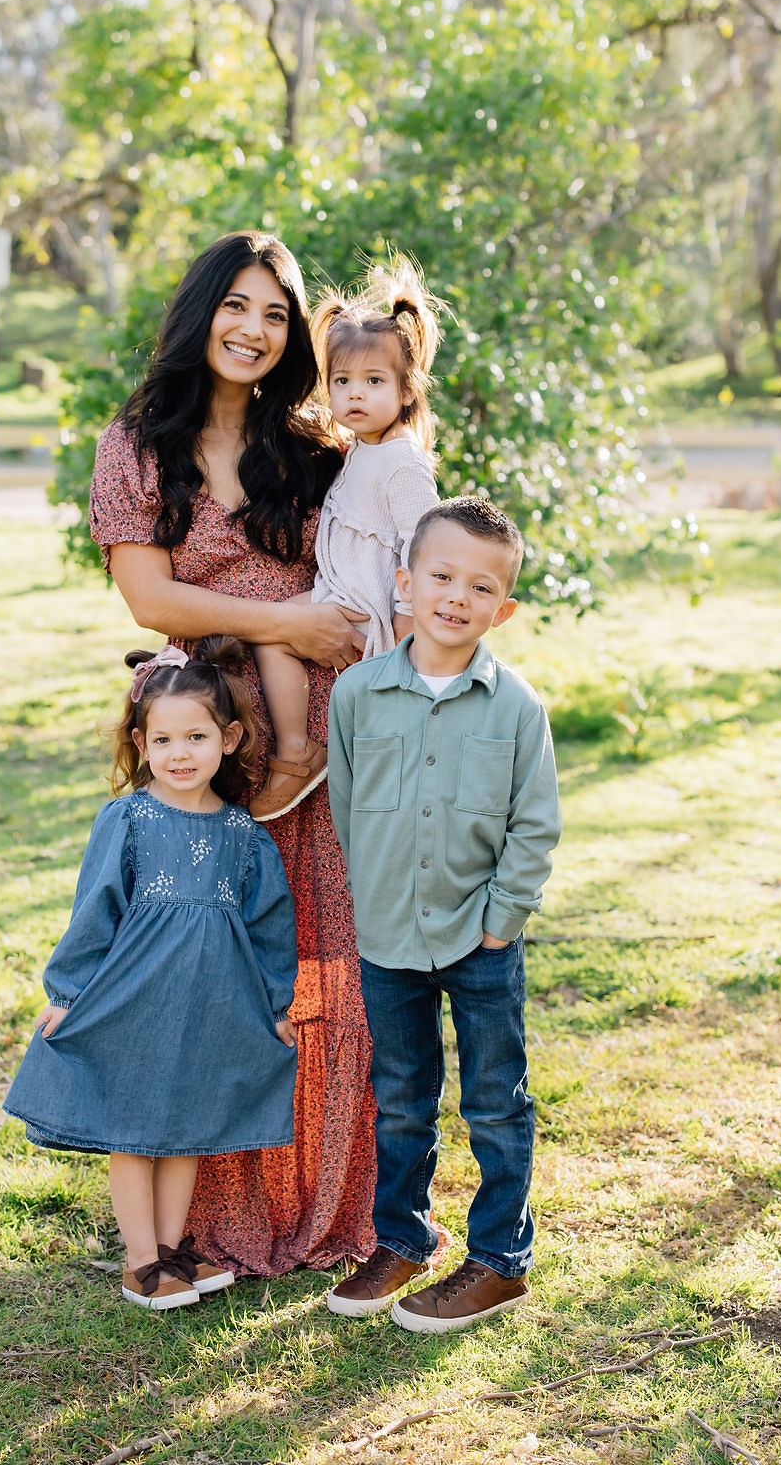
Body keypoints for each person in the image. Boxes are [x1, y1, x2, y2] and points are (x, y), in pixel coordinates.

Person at [88, 230, 377, 1277]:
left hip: (324, 746)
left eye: (274, 314)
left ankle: (325, 1196)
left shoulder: (312, 448)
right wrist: (280, 625)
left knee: (322, 958)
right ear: (201, 308)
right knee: (212, 971)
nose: (253, 330)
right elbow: (148, 596)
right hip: (208, 743)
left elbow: (381, 546)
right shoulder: (138, 442)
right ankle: (205, 1214)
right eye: (237, 306)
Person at [3, 636, 299, 1311]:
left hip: (211, 1002)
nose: (180, 754)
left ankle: (172, 1253)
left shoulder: (243, 834)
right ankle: (141, 1261)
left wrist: (274, 1004)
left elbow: (269, 926)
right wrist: (68, 993)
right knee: (133, 1127)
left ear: (227, 739)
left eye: (195, 737)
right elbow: (95, 908)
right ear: (140, 743)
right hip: (135, 998)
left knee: (189, 1124)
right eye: (162, 741)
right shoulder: (130, 820)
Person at [326, 496, 562, 1333]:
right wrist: (371, 899)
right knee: (402, 1097)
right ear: (406, 581)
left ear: (504, 608)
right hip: (389, 935)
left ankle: (499, 1261)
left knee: (496, 1100)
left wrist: (502, 919)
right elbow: (349, 807)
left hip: (480, 937)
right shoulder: (357, 694)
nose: (457, 596)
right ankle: (401, 1239)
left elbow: (534, 823)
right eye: (441, 576)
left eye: (481, 585)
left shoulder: (515, 707)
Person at [248, 262, 443, 822]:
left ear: (407, 389)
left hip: (368, 606)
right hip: (348, 593)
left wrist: (408, 627)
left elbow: (423, 547)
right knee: (271, 631)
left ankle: (294, 755)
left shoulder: (403, 461)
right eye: (342, 382)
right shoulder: (362, 447)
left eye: (374, 382)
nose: (355, 395)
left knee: (273, 636)